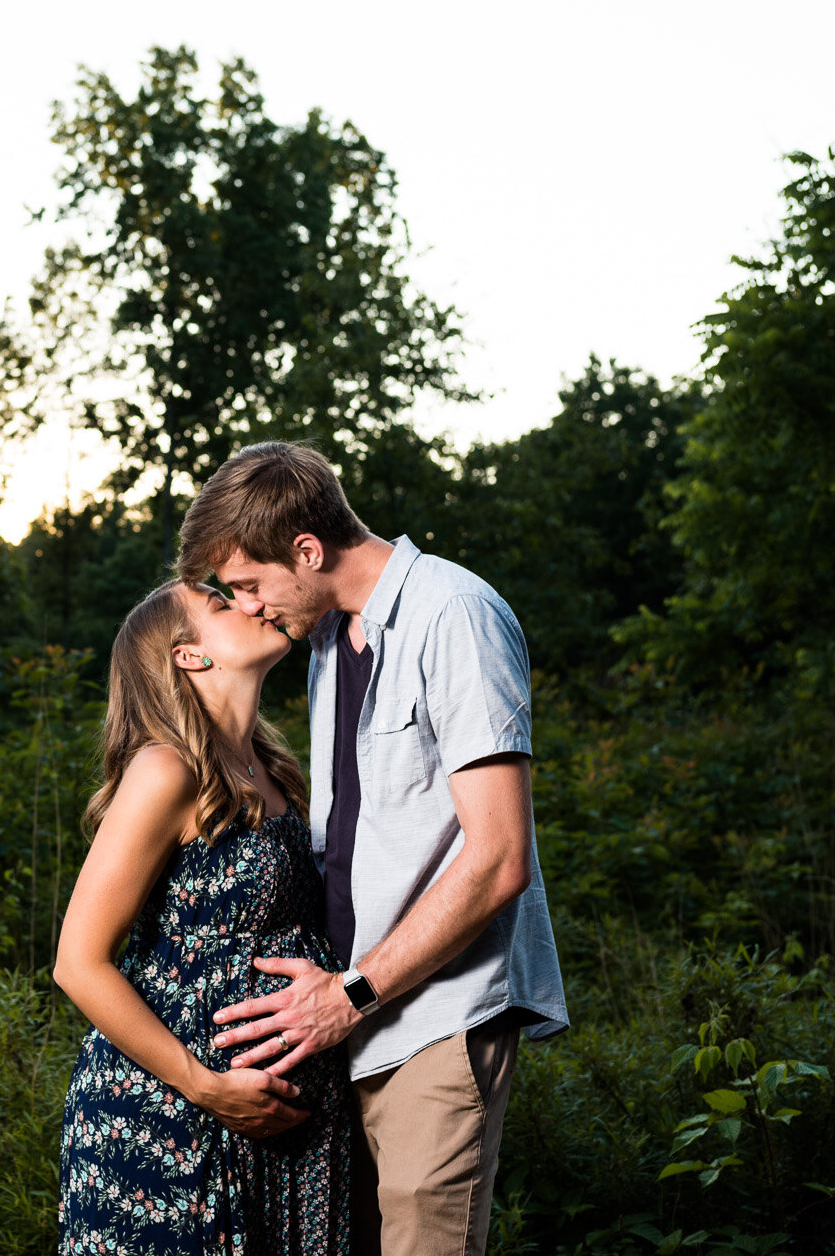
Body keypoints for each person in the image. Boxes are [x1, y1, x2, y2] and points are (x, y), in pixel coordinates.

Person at [175, 441, 569, 1256]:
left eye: (249, 584)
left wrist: (350, 993)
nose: (248, 607)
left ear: (308, 551)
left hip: (432, 1015)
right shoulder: (327, 641)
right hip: (352, 1025)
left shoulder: (453, 613)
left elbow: (499, 856)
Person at [55, 580, 352, 1256]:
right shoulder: (166, 768)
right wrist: (207, 1085)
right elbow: (78, 961)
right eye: (222, 602)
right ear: (188, 656)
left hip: (280, 1132)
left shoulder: (270, 770)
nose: (250, 602)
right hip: (173, 1121)